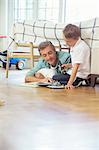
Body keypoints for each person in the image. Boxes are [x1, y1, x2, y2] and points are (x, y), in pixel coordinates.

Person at [52, 24, 90, 89]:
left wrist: (69, 84)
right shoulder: (75, 45)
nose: (66, 43)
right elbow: (78, 63)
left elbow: (76, 67)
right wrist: (68, 65)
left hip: (80, 75)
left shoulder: (80, 48)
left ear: (76, 38)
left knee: (56, 79)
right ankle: (76, 81)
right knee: (55, 77)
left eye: (68, 41)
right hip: (76, 72)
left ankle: (80, 81)